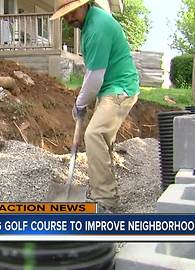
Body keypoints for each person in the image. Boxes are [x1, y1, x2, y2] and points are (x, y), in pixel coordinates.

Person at [51, 0, 140, 212]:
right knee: (103, 140)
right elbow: (92, 74)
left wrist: (80, 103)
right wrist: (82, 101)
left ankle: (106, 201)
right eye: (65, 15)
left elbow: (95, 78)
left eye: (72, 12)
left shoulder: (97, 29)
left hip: (120, 88)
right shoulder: (91, 23)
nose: (69, 19)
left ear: (84, 5)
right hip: (109, 88)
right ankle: (109, 195)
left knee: (93, 135)